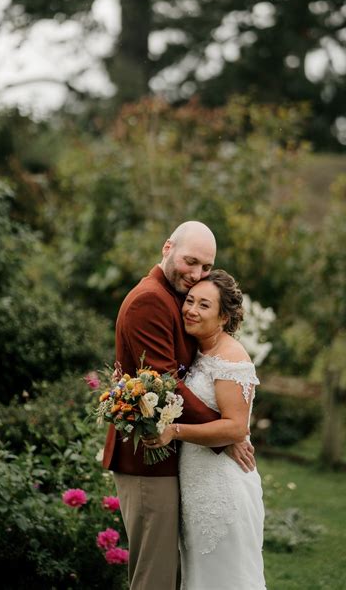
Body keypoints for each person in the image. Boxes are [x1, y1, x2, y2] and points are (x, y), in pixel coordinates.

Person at [102, 222, 256, 590]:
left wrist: (227, 426)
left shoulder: (173, 296)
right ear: (167, 247)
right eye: (191, 261)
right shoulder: (150, 299)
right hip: (145, 460)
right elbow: (167, 383)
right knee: (154, 578)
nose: (197, 274)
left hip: (174, 460)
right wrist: (227, 432)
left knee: (173, 576)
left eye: (205, 267)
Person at [144, 269, 266, 590]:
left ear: (224, 317)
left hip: (224, 488)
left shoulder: (231, 358)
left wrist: (175, 431)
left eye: (204, 305)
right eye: (190, 301)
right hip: (198, 488)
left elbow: (236, 426)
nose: (191, 310)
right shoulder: (200, 350)